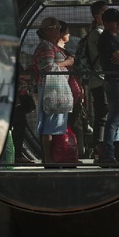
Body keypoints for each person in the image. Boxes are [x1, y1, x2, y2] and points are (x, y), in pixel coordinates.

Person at [33, 17, 73, 164]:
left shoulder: (51, 45)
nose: (58, 30)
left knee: (53, 121)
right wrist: (67, 62)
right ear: (46, 30)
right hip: (51, 88)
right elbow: (48, 67)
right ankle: (49, 158)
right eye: (55, 27)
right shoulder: (47, 46)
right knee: (50, 122)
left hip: (55, 87)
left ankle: (54, 157)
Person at [96, 8, 119, 164]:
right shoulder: (107, 39)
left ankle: (112, 151)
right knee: (114, 120)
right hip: (115, 82)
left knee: (117, 120)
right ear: (106, 23)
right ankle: (108, 153)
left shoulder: (115, 38)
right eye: (115, 21)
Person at [84, 0, 109, 158]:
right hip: (100, 79)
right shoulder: (97, 33)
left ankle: (101, 148)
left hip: (101, 79)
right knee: (102, 115)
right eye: (104, 12)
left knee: (103, 115)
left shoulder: (100, 32)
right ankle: (99, 149)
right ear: (96, 16)